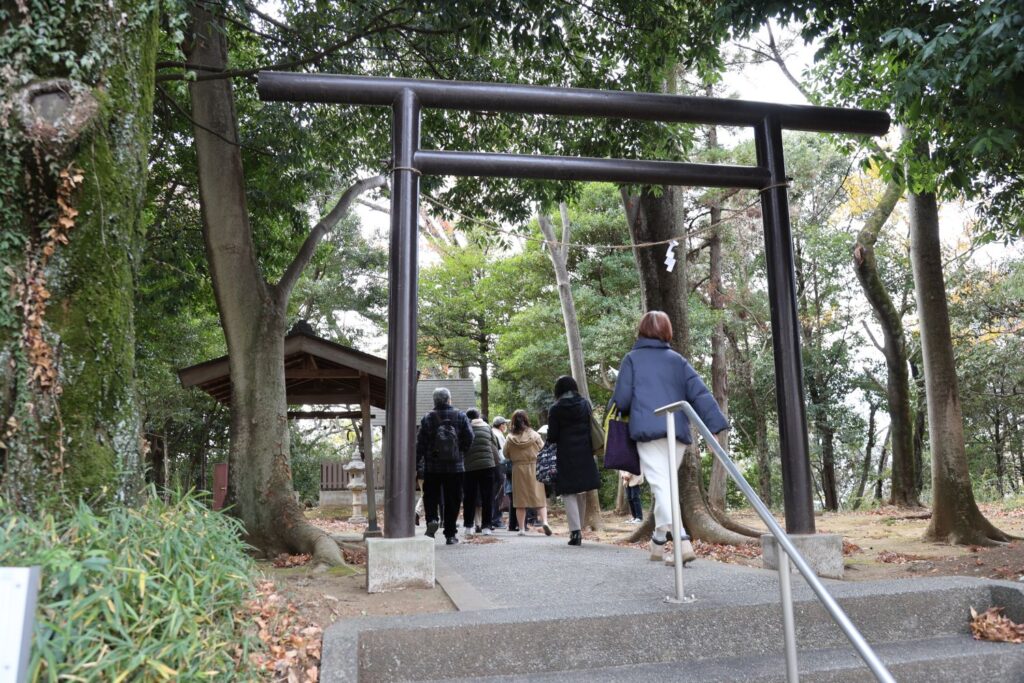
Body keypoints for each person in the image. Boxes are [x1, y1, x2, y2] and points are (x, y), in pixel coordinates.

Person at [611, 310, 729, 567]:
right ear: (667, 331)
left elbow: (621, 400)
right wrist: (715, 429)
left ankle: (682, 541)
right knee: (665, 486)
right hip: (677, 433)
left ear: (641, 330)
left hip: (648, 430)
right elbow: (700, 394)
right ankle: (657, 542)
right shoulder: (678, 360)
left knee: (661, 487)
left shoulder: (632, 360)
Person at [546, 375, 601, 546]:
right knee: (581, 490)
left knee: (568, 492)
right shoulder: (584, 404)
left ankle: (575, 532)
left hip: (566, 453)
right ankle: (581, 529)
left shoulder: (555, 409)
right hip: (585, 451)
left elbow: (553, 436)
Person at [416, 387, 473, 545]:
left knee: (431, 497)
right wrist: (460, 451)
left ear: (434, 401)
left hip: (432, 467)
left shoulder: (427, 418)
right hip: (455, 467)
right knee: (453, 499)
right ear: (449, 399)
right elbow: (470, 437)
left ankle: (432, 521)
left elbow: (420, 444)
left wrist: (416, 463)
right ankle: (450, 534)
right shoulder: (460, 416)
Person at [503, 409, 551, 536]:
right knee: (539, 497)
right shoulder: (535, 435)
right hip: (534, 467)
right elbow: (543, 449)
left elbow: (505, 454)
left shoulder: (510, 438)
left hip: (518, 469)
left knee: (520, 501)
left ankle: (522, 529)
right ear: (526, 420)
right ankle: (545, 522)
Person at [462, 408, 499, 536]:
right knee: (487, 497)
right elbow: (494, 444)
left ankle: (469, 526)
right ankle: (487, 527)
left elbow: (462, 446)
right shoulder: (488, 427)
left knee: (469, 497)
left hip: (469, 467)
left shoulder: (465, 428)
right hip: (487, 465)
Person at [490, 416, 509, 529]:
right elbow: (503, 453)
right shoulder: (499, 435)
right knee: (498, 494)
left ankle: (492, 518)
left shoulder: (491, 432)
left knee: (492, 493)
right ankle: (496, 519)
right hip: (499, 466)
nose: (505, 426)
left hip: (490, 466)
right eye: (505, 424)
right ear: (501, 425)